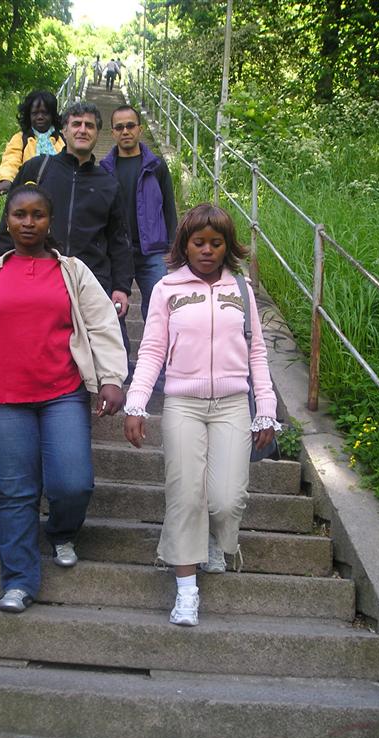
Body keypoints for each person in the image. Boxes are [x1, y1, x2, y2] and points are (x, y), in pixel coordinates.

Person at [0, 185, 127, 614]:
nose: (28, 222)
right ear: (8, 220)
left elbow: (101, 323)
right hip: (4, 397)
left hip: (62, 392)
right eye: (20, 214)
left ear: (49, 222)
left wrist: (111, 378)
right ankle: (18, 580)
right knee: (16, 491)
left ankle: (61, 531)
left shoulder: (71, 270)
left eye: (38, 215)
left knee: (73, 482)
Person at [123, 203, 281, 627]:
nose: (207, 250)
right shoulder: (166, 289)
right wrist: (136, 403)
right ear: (185, 245)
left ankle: (214, 541)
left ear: (227, 246)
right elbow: (153, 349)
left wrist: (265, 409)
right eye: (199, 242)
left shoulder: (242, 289)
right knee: (186, 495)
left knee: (227, 500)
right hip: (183, 404)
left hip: (232, 403)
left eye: (216, 243)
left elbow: (257, 352)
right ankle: (186, 591)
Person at [0, 102, 133, 318]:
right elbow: (9, 223)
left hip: (92, 283)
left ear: (98, 134)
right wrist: (0, 268)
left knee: (108, 350)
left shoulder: (109, 184)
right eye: (76, 124)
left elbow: (119, 240)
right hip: (39, 278)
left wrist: (122, 287)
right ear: (65, 130)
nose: (82, 130)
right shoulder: (37, 168)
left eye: (90, 125)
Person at [100, 105, 177, 379]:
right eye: (119, 127)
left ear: (140, 129)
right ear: (112, 133)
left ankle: (157, 370)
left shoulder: (156, 165)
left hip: (152, 251)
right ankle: (122, 365)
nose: (125, 131)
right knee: (114, 310)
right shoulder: (104, 168)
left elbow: (169, 208)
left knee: (158, 311)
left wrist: (172, 247)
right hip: (116, 252)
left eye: (130, 125)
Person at [0, 90, 65, 193]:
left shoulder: (63, 139)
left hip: (59, 194)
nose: (40, 117)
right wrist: (6, 179)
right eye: (35, 113)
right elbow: (11, 160)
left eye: (45, 113)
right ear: (29, 116)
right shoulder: (20, 139)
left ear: (52, 115)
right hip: (28, 196)